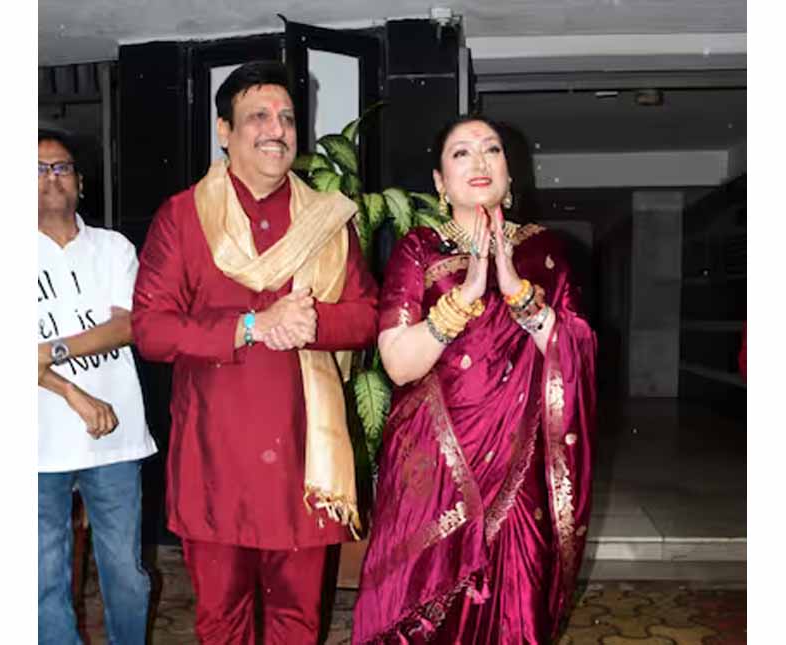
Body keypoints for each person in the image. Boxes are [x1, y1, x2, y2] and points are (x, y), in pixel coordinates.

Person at [130, 60, 379, 643]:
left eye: (287, 118)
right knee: (223, 621)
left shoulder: (327, 220)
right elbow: (151, 329)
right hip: (216, 461)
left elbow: (368, 315)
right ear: (224, 130)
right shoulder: (183, 217)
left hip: (304, 461)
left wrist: (311, 322)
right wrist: (249, 326)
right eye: (258, 116)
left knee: (299, 620)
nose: (277, 129)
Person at [352, 115, 597, 644]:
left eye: (492, 150)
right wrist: (465, 295)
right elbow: (398, 364)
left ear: (510, 173)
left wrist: (516, 290)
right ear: (440, 182)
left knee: (517, 612)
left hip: (521, 471)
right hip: (433, 469)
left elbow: (574, 351)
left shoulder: (547, 254)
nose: (480, 161)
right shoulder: (419, 249)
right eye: (461, 152)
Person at [37, 129, 157, 644]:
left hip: (115, 439)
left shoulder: (112, 247)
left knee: (126, 575)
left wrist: (52, 351)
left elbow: (128, 325)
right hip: (37, 445)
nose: (51, 178)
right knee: (41, 581)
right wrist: (73, 393)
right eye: (37, 169)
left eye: (61, 167)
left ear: (80, 183)